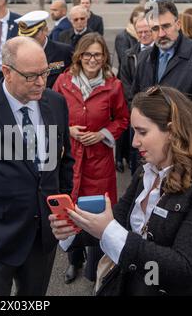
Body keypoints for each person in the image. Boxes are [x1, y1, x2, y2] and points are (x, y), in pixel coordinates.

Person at [50, 85, 192, 295]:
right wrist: (73, 231)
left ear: (172, 131)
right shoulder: (146, 172)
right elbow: (117, 220)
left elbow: (184, 268)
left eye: (142, 132)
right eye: (134, 131)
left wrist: (109, 232)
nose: (134, 142)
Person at [0, 36, 74, 296]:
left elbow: (65, 161)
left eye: (45, 73)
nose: (41, 82)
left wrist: (62, 211)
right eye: (31, 76)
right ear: (7, 72)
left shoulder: (56, 103)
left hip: (42, 239)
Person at [53, 33, 129, 285]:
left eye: (97, 54)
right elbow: (51, 113)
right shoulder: (64, 82)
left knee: (98, 215)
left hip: (99, 162)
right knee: (70, 212)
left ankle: (95, 269)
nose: (92, 59)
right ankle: (74, 261)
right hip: (70, 159)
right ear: (79, 56)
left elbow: (122, 119)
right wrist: (68, 129)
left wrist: (103, 134)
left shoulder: (113, 85)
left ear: (104, 57)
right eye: (87, 54)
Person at [131, 0, 192, 123]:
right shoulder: (143, 58)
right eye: (155, 28)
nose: (161, 34)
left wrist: (171, 128)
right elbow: (135, 99)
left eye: (166, 26)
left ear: (178, 24)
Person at [119, 15, 154, 175]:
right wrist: (136, 109)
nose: (143, 35)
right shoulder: (129, 55)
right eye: (140, 32)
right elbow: (126, 84)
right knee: (137, 153)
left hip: (155, 112)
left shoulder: (158, 53)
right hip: (137, 111)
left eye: (147, 31)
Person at [114, 5, 145, 173]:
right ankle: (119, 157)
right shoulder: (124, 37)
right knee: (124, 126)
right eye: (137, 21)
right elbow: (124, 57)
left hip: (139, 93)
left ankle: (128, 157)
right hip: (127, 88)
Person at [15, 10, 74, 88]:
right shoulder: (18, 54)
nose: (29, 40)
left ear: (45, 30)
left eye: (33, 36)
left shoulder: (64, 52)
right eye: (25, 37)